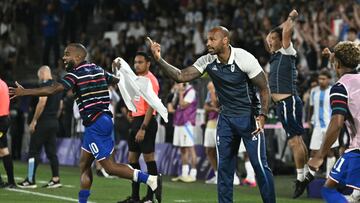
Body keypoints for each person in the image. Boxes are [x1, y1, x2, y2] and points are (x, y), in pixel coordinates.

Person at [9, 43, 162, 203]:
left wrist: (25, 92)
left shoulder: (75, 75)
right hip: (99, 122)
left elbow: (52, 89)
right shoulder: (97, 69)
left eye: (67, 54)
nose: (64, 58)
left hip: (96, 123)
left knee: (109, 167)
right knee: (84, 164)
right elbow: (116, 80)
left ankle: (151, 180)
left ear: (78, 57)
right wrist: (119, 71)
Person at [147, 26, 275, 203]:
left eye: (212, 39)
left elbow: (264, 88)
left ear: (225, 40)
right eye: (207, 39)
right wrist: (159, 59)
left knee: (260, 166)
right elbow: (181, 76)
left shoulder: (244, 58)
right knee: (224, 169)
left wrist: (262, 116)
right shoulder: (207, 60)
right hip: (226, 120)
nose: (207, 43)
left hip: (249, 118)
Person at [307, 41, 360, 203]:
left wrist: (320, 155)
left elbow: (337, 122)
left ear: (337, 63)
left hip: (358, 148)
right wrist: (332, 55)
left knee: (328, 189)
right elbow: (346, 62)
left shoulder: (340, 87)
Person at [265, 9, 309, 198]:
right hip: (282, 104)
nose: (269, 41)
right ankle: (305, 174)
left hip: (288, 101)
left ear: (280, 39)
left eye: (272, 38)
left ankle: (301, 178)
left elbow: (286, 32)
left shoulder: (286, 49)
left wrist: (290, 18)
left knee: (294, 141)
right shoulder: (274, 57)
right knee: (297, 139)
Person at [118, 52, 160, 203]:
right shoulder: (136, 79)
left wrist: (143, 128)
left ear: (148, 63)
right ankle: (135, 197)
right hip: (136, 120)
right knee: (132, 159)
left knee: (149, 159)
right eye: (135, 62)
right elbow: (137, 99)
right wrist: (131, 110)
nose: (137, 65)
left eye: (140, 62)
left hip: (146, 122)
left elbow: (151, 106)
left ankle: (149, 198)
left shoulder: (151, 80)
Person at [18, 66, 62, 188]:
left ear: (42, 73)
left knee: (33, 151)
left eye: (39, 76)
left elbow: (42, 102)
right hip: (53, 122)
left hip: (43, 123)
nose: (39, 79)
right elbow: (61, 105)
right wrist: (53, 118)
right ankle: (56, 179)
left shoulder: (45, 85)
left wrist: (34, 121)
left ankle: (30, 180)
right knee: (52, 153)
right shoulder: (57, 86)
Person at [308, 69, 338, 177]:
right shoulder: (314, 91)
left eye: (324, 79)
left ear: (329, 80)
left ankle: (329, 176)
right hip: (317, 126)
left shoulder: (333, 91)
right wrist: (309, 120)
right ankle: (310, 177)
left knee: (330, 151)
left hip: (329, 125)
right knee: (313, 152)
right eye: (320, 78)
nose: (321, 81)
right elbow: (311, 107)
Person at [171, 82, 198, 183]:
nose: (177, 85)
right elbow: (173, 105)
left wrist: (181, 93)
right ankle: (184, 174)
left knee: (190, 148)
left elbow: (182, 105)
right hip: (179, 123)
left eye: (179, 84)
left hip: (187, 124)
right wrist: (176, 93)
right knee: (182, 149)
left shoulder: (191, 92)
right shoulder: (180, 92)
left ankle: (193, 174)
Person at [0, 78, 15, 188]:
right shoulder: (3, 83)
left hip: (0, 120)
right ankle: (10, 182)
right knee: (3, 150)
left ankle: (10, 182)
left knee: (3, 151)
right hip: (4, 119)